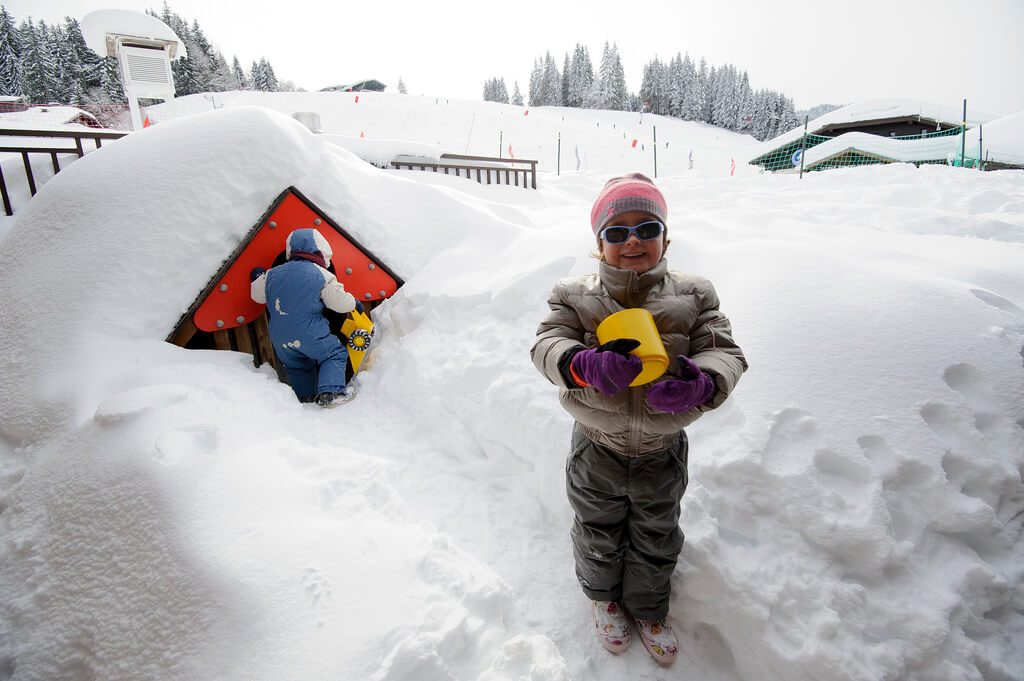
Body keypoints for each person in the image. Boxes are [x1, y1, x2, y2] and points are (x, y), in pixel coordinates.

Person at [530, 173, 747, 664]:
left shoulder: (694, 295)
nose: (632, 240)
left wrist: (704, 383)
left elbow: (724, 351)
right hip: (596, 447)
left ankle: (649, 607)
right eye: (617, 230)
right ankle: (604, 598)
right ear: (599, 244)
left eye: (647, 228)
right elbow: (546, 345)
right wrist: (579, 365)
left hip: (661, 453)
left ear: (665, 238)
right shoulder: (573, 296)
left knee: (657, 533)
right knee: (597, 529)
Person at [250, 227, 363, 406]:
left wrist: (257, 277)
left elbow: (257, 296)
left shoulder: (272, 274)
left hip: (280, 339)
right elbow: (339, 303)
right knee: (334, 354)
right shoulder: (321, 274)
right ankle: (331, 392)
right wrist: (353, 302)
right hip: (310, 333)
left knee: (297, 365)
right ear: (321, 252)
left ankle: (306, 398)